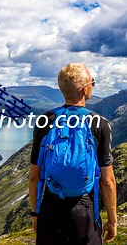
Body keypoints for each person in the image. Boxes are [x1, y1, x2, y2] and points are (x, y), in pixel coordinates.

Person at [29, 63, 117, 245]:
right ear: (85, 89)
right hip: (84, 210)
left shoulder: (45, 120)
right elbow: (107, 180)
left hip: (51, 207)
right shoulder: (99, 124)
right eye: (93, 82)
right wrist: (112, 220)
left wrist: (35, 213)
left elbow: (34, 176)